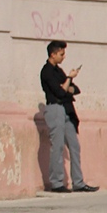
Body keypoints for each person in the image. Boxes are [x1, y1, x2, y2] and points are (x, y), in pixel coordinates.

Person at [40, 40, 97, 193]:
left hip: (66, 109)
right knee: (57, 147)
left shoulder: (59, 71)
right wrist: (69, 79)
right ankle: (56, 183)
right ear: (53, 54)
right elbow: (59, 92)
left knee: (75, 146)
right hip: (55, 109)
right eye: (61, 54)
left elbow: (73, 90)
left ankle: (78, 182)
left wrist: (67, 84)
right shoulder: (47, 71)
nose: (63, 57)